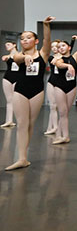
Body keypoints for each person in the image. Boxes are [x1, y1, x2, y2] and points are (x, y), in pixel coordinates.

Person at [6, 16, 55, 170]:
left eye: (28, 38)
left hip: (37, 92)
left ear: (36, 41)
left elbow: (47, 41)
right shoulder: (18, 55)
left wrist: (46, 25)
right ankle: (21, 158)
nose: (25, 40)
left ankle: (24, 157)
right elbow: (18, 58)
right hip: (20, 91)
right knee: (22, 123)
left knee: (30, 124)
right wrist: (25, 56)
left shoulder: (43, 55)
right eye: (22, 38)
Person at [1, 41, 19, 128]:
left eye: (8, 44)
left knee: (17, 101)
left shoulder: (20, 55)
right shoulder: (7, 56)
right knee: (9, 100)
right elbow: (4, 58)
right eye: (5, 45)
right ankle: (9, 120)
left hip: (17, 79)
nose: (6, 46)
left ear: (14, 45)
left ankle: (21, 120)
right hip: (7, 78)